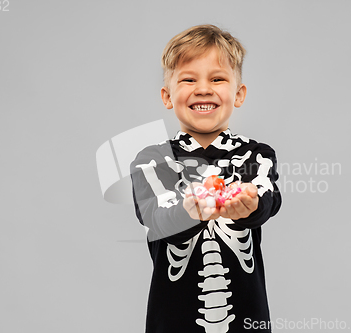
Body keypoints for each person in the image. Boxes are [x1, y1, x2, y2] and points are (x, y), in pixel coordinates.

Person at [130, 24, 282, 333]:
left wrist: (251, 205)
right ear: (167, 96)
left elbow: (268, 197)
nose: (203, 89)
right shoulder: (151, 161)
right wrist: (187, 212)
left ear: (238, 94)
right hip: (171, 323)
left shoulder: (256, 156)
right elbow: (156, 219)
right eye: (188, 79)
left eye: (217, 79)